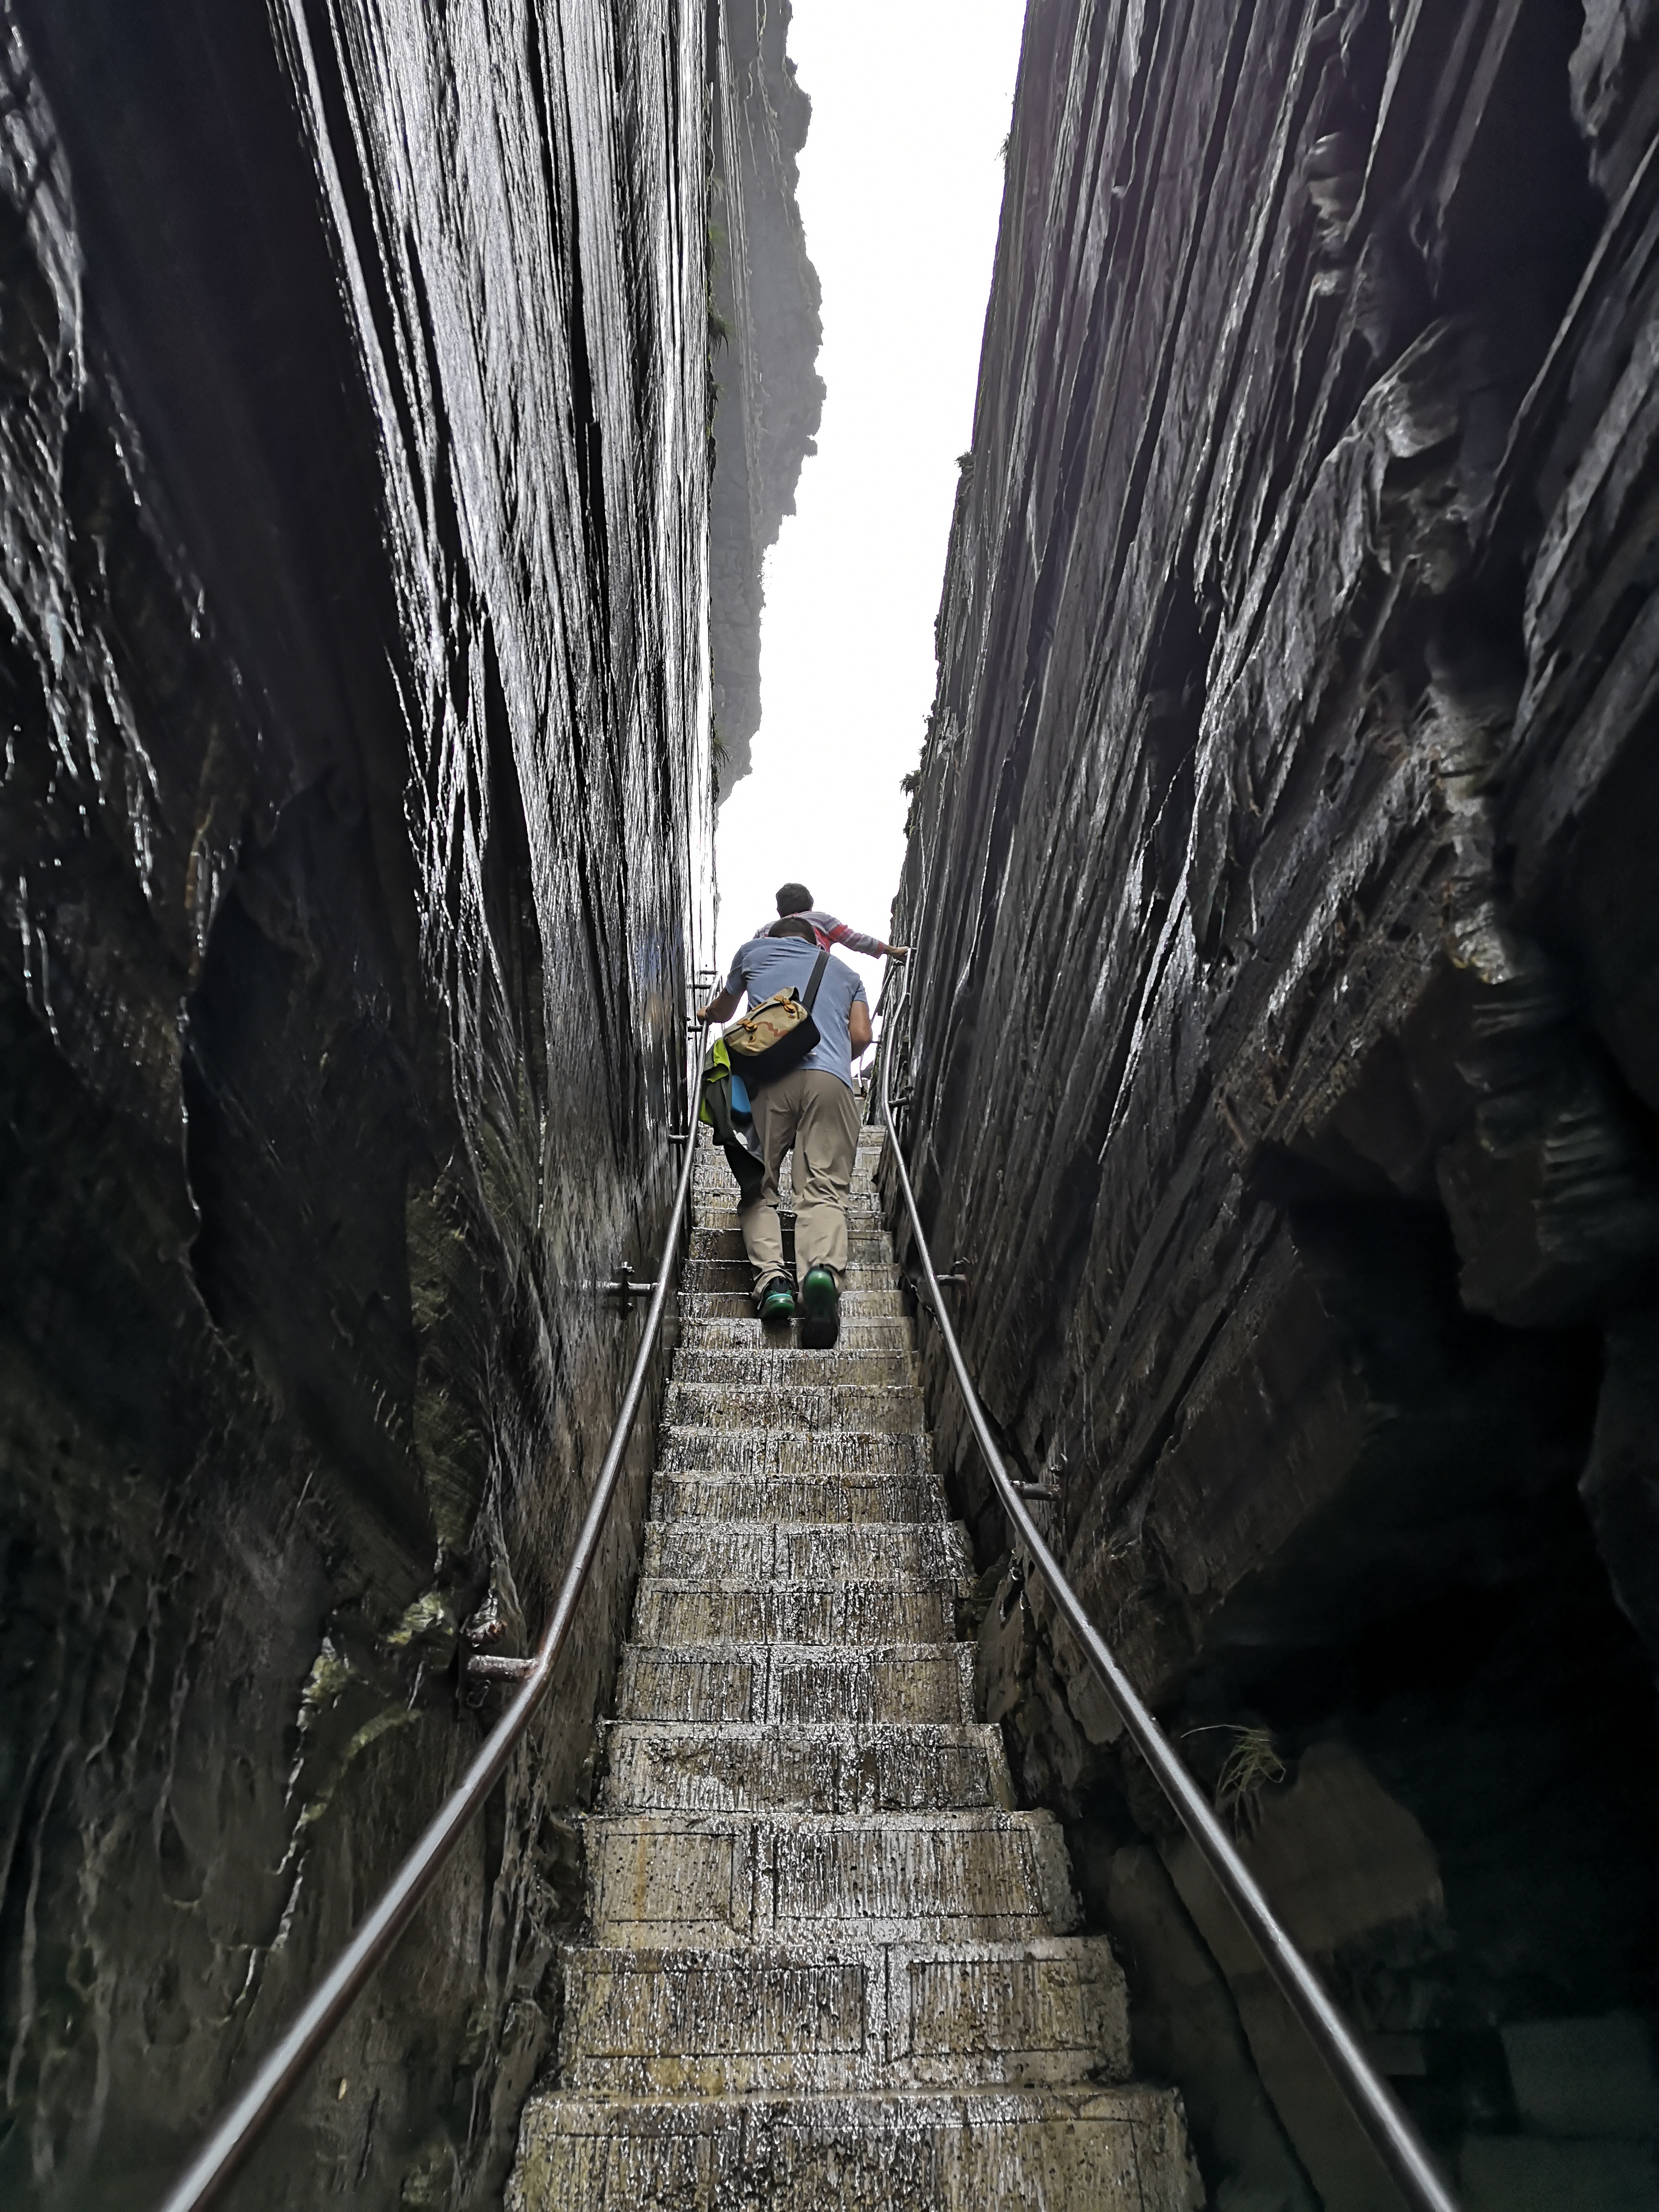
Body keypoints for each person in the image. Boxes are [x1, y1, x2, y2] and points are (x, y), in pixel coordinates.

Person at [696, 914, 873, 1344]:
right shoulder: (849, 973)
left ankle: (773, 1283)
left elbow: (723, 1011)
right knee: (825, 1189)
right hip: (832, 1081)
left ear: (773, 937)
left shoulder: (753, 952)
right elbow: (863, 1036)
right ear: (817, 944)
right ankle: (820, 1274)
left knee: (760, 1186)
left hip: (769, 1082)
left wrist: (704, 1011)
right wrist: (828, 1059)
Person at [759, 881, 909, 966]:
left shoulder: (764, 931)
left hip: (771, 978)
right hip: (812, 970)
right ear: (810, 904)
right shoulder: (820, 919)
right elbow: (855, 940)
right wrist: (893, 951)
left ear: (779, 911)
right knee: (853, 988)